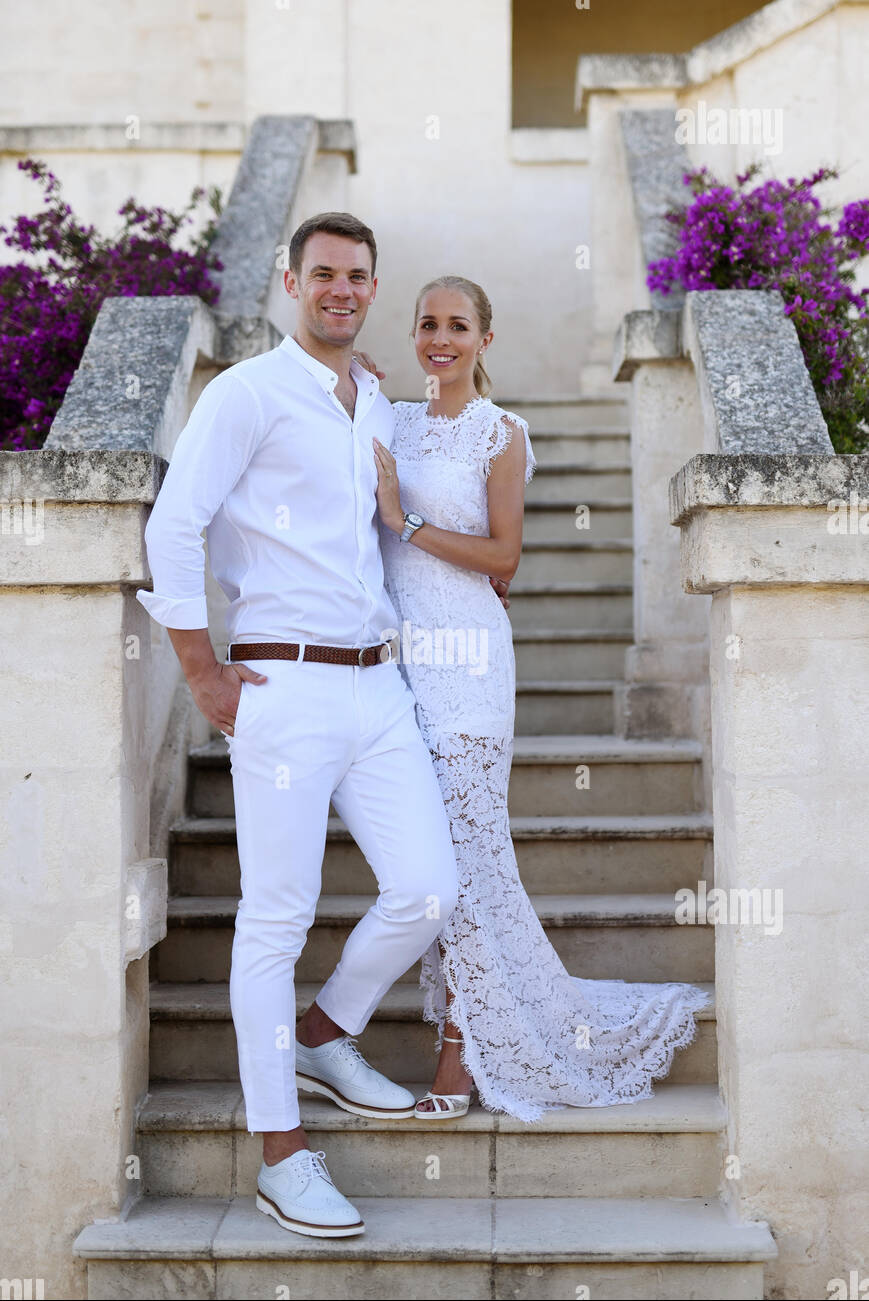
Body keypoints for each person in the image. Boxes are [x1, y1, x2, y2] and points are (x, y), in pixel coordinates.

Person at [135, 214, 467, 1238]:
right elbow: (174, 523)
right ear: (289, 281)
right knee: (275, 919)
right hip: (280, 689)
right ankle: (282, 1151)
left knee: (426, 886)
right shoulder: (244, 393)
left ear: (372, 287)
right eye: (321, 273)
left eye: (357, 276)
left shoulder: (369, 394)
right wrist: (201, 669)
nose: (339, 289)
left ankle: (325, 1033)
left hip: (377, 689)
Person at [372, 275, 711, 1123]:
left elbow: (503, 560)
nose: (439, 339)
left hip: (471, 667)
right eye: (426, 324)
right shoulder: (391, 422)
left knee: (469, 860)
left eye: (457, 325)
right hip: (403, 666)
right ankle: (493, 1026)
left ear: (485, 338)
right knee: (437, 870)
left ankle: (460, 1056)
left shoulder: (501, 434)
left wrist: (402, 522)